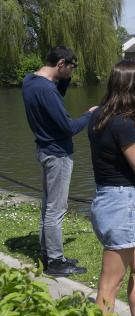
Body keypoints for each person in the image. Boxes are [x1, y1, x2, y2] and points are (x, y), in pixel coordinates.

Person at [22, 45, 97, 276]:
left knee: (48, 207)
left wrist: (63, 79)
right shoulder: (47, 90)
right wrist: (90, 114)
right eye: (71, 68)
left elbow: (54, 103)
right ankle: (55, 262)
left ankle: (48, 253)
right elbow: (68, 127)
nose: (72, 72)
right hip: (58, 155)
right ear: (60, 64)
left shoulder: (30, 82)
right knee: (57, 209)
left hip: (44, 150)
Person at [88, 60, 135, 316]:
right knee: (109, 283)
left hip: (107, 198)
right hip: (121, 204)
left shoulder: (98, 116)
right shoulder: (122, 124)